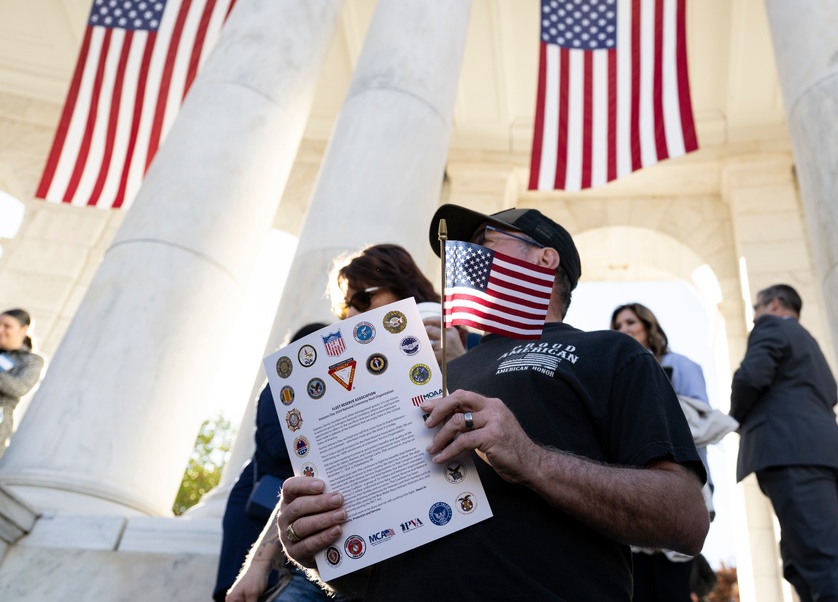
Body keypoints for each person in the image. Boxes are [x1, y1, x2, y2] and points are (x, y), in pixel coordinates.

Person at [276, 205, 710, 600]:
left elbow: (687, 520)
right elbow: (376, 562)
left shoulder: (610, 353)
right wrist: (320, 548)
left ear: (545, 258)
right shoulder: (428, 371)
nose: (462, 258)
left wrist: (533, 460)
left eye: (483, 243)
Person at [223, 244, 463, 602]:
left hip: (436, 550)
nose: (352, 314)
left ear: (405, 287)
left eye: (363, 300)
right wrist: (257, 566)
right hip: (341, 556)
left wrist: (460, 362)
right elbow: (314, 473)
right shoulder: (346, 372)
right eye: (344, 307)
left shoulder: (462, 343)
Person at [730, 284, 838, 601]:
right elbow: (830, 395)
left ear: (774, 304)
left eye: (755, 311)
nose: (754, 319)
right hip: (821, 456)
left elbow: (750, 377)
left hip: (793, 454)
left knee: (820, 561)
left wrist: (732, 418)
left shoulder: (771, 326)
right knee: (800, 562)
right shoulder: (810, 345)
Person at [214, 323, 334, 602]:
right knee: (242, 590)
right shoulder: (275, 387)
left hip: (290, 505)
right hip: (257, 503)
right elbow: (278, 445)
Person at [612, 303, 716, 602]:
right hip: (631, 485)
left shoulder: (680, 366)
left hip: (677, 483)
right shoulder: (617, 374)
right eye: (617, 325)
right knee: (637, 586)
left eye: (631, 322)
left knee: (672, 586)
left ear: (649, 326)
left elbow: (702, 421)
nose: (624, 330)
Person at [0, 308, 44, 455]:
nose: (1, 330)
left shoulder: (31, 360)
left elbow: (20, 387)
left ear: (24, 330)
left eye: (7, 326)